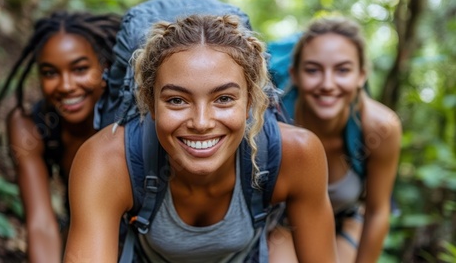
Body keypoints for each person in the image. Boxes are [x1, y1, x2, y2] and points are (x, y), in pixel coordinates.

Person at [64, 14, 337, 262]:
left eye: (224, 99)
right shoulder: (107, 161)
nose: (202, 122)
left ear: (250, 102)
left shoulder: (295, 153)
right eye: (177, 100)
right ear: (150, 102)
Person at [0, 11, 120, 262]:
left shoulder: (129, 119)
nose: (65, 85)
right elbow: (40, 223)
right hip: (81, 232)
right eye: (50, 73)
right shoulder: (30, 126)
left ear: (104, 68)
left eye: (80, 69)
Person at [284, 16, 402, 262]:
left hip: (347, 220)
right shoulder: (275, 121)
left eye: (343, 70)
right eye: (313, 70)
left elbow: (377, 211)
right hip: (282, 224)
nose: (328, 84)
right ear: (294, 75)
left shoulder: (380, 128)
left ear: (361, 76)